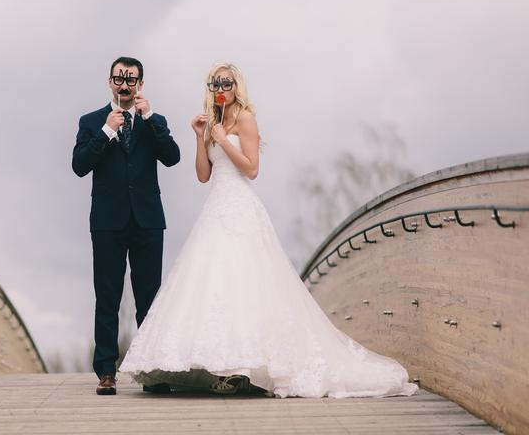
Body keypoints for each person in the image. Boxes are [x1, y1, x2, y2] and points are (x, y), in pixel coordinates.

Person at [119, 62, 418, 398]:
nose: (221, 89)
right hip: (215, 208)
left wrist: (224, 141)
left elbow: (251, 169)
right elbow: (203, 175)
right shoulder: (212, 124)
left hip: (241, 207)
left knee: (245, 281)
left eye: (226, 83)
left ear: (236, 86)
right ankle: (218, 363)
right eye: (215, 83)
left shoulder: (245, 118)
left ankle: (244, 369)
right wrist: (200, 137)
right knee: (214, 282)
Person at [72, 56, 180, 395]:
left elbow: (172, 157)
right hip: (107, 221)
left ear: (140, 84)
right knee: (108, 298)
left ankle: (151, 370)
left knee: (150, 299)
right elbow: (79, 165)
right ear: (109, 81)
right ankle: (106, 371)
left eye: (131, 79)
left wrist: (150, 119)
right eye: (119, 78)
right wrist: (107, 131)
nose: (124, 84)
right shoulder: (91, 121)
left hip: (147, 220)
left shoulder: (154, 120)